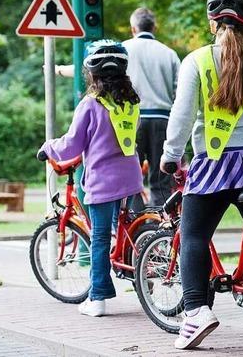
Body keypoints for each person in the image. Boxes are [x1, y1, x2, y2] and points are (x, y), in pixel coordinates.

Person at [160, 0, 243, 349]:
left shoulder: (196, 60)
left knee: (194, 235)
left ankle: (196, 311)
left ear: (213, 24)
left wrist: (170, 155)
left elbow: (182, 116)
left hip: (214, 163)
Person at [39, 40, 143, 317]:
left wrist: (48, 146)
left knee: (99, 239)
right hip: (130, 177)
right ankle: (140, 268)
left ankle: (97, 298)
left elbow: (72, 145)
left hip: (103, 181)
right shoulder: (131, 101)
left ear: (91, 73)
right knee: (123, 229)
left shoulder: (90, 104)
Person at [123, 7, 181, 208]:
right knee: (161, 180)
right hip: (163, 121)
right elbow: (179, 92)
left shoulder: (123, 50)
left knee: (131, 179)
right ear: (154, 27)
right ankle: (160, 227)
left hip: (131, 122)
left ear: (133, 28)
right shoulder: (169, 54)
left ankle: (138, 226)